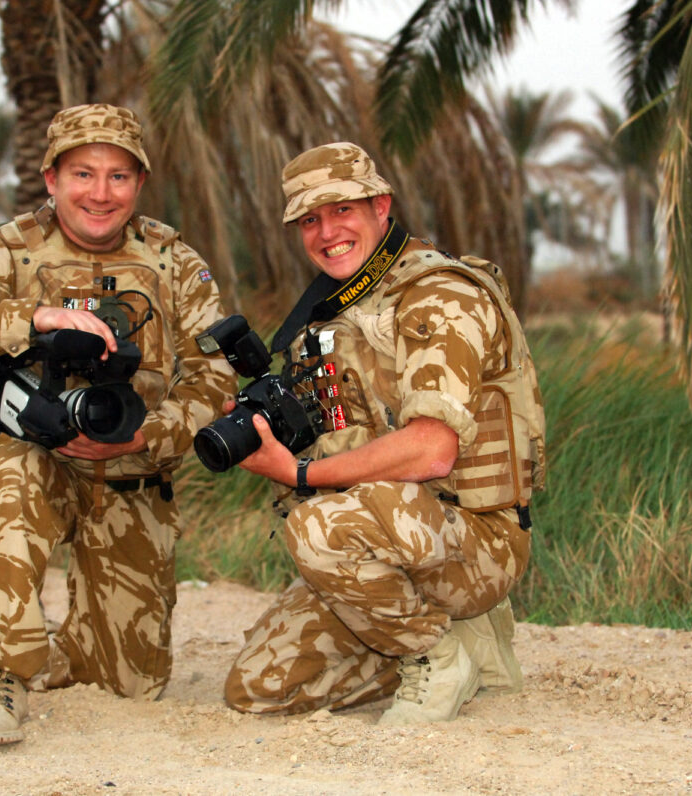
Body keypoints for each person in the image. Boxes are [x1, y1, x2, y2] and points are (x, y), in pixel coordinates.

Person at [0, 103, 236, 748]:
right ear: (51, 178)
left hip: (132, 468)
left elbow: (214, 377)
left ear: (139, 183)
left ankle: (40, 647)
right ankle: (0, 670)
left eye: (118, 176)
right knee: (11, 477)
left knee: (128, 684)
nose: (100, 193)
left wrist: (154, 433)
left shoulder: (173, 260)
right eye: (83, 173)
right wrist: (35, 320)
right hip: (35, 455)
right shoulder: (8, 251)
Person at [221, 142, 546, 725]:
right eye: (310, 220)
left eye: (343, 210)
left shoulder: (438, 296)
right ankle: (467, 638)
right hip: (394, 536)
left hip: (477, 538)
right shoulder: (330, 314)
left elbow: (432, 449)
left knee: (320, 528)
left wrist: (298, 473)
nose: (327, 232)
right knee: (258, 687)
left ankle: (435, 655)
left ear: (381, 206)